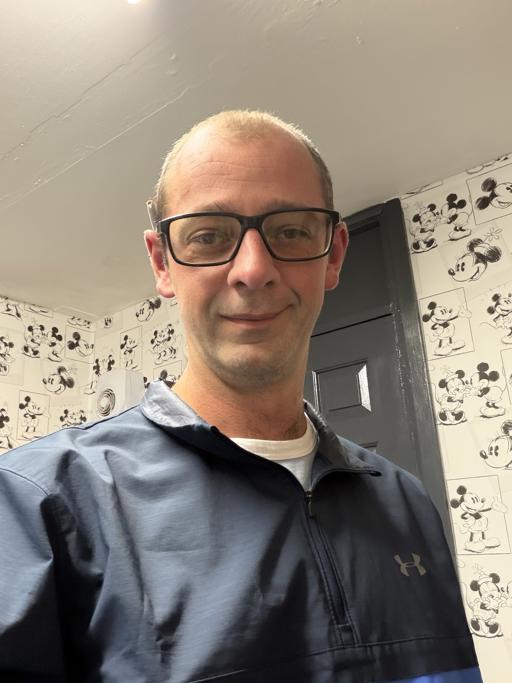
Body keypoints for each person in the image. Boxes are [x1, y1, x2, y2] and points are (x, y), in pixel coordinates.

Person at [0, 110, 481, 683]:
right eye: (208, 236)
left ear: (333, 255)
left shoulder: (405, 500)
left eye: (291, 231)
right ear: (162, 263)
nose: (253, 270)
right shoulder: (41, 504)